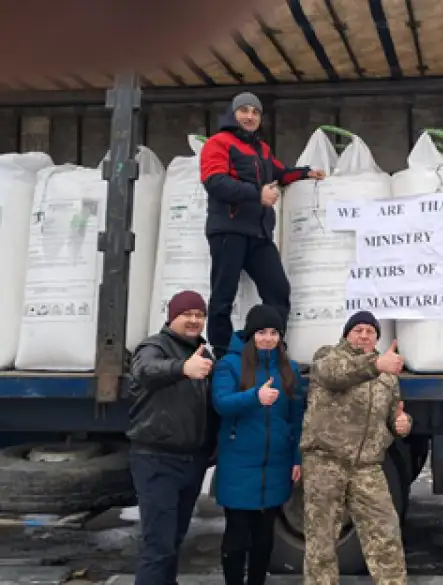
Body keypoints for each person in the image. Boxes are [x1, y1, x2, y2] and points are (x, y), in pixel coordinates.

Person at [200, 91, 327, 358]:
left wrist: (305, 173)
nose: (250, 116)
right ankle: (222, 353)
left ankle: (270, 348)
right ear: (233, 113)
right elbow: (215, 182)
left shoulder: (262, 149)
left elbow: (280, 172)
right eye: (244, 110)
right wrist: (257, 194)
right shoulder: (218, 143)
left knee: (278, 290)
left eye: (255, 112)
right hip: (229, 231)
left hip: (258, 235)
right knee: (224, 295)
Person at [301, 310, 412, 585]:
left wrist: (402, 424)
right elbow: (335, 375)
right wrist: (376, 364)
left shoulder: (387, 377)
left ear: (376, 337)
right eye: (358, 330)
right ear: (346, 334)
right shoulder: (328, 357)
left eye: (370, 331)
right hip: (327, 462)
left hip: (367, 467)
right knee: (322, 540)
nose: (364, 335)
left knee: (386, 534)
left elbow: (393, 415)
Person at [127, 290, 218, 585]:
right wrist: (182, 368)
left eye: (199, 315)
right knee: (159, 547)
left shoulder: (204, 353)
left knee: (174, 541)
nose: (194, 320)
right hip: (157, 459)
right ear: (171, 317)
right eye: (186, 314)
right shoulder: (154, 346)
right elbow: (145, 370)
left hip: (191, 462)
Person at [211, 304, 306, 585]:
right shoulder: (230, 364)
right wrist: (255, 397)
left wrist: (297, 458)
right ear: (251, 334)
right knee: (237, 537)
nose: (268, 338)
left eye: (273, 333)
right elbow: (221, 403)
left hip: (275, 465)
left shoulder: (289, 369)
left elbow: (297, 419)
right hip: (239, 465)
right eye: (261, 332)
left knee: (264, 539)